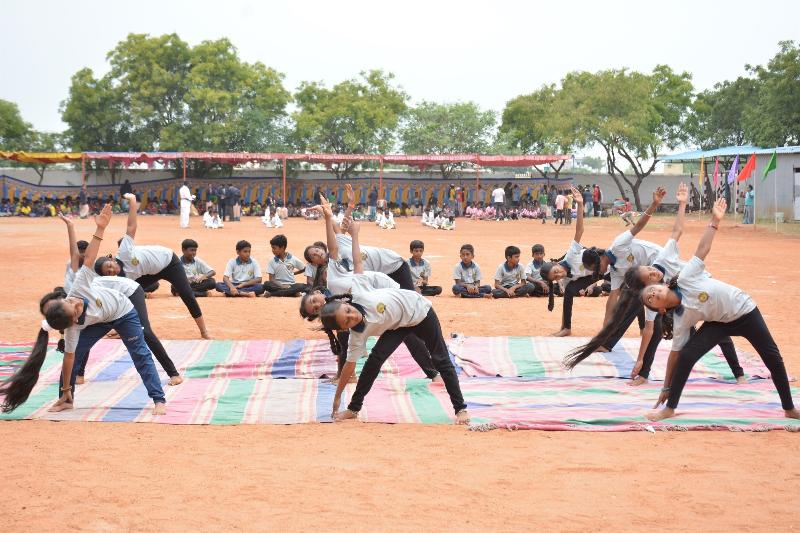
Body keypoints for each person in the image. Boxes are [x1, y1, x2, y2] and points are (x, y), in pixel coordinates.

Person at [565, 185, 744, 386]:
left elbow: (664, 230)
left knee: (714, 324)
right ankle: (640, 369)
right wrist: (606, 329)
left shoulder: (635, 251)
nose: (600, 272)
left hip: (684, 280)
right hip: (659, 286)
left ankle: (738, 372)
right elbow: (615, 300)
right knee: (659, 326)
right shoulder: (631, 281)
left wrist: (663, 204)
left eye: (598, 268)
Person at [641, 198, 798, 422]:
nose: (653, 294)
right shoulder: (681, 319)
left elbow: (702, 249)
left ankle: (789, 408)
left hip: (745, 310)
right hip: (719, 323)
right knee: (687, 356)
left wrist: (715, 220)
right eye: (650, 299)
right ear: (661, 310)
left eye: (653, 290)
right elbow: (675, 356)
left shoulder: (685, 277)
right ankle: (670, 408)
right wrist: (666, 387)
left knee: (773, 358)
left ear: (663, 284)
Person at [0, 204, 167, 415]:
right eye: (75, 312)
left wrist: (100, 229)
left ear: (64, 300)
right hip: (99, 321)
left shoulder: (78, 286)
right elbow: (69, 359)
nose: (75, 305)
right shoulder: (72, 330)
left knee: (140, 354)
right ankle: (66, 399)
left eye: (70, 303)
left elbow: (89, 258)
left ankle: (158, 399)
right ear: (73, 323)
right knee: (74, 354)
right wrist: (66, 390)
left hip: (123, 311)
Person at [318, 224, 470, 425]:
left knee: (440, 359)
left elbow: (356, 259)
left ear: (346, 304)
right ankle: (354, 408)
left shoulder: (359, 291)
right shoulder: (357, 335)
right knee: (374, 361)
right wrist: (337, 397)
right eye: (346, 321)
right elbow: (349, 366)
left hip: (421, 312)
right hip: (398, 326)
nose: (351, 316)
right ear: (345, 329)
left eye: (347, 311)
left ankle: (460, 409)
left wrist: (354, 234)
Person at [302, 199, 439, 381]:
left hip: (391, 275)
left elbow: (337, 239)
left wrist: (330, 215)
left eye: (313, 302)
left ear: (315, 293)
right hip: (378, 293)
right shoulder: (334, 304)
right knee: (397, 333)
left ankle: (435, 370)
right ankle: (434, 368)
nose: (318, 305)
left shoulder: (335, 271)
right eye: (315, 310)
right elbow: (344, 341)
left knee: (409, 327)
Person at [93, 194, 210, 338]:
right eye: (109, 272)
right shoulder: (120, 279)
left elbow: (131, 226)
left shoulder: (123, 252)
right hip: (150, 273)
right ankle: (122, 328)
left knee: (187, 295)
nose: (112, 270)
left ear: (111, 258)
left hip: (169, 262)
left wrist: (133, 202)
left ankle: (204, 331)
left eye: (110, 265)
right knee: (128, 297)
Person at [539, 187, 604, 336]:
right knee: (569, 292)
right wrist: (563, 326)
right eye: (555, 278)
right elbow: (567, 301)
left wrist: (580, 204)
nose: (559, 275)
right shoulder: (567, 279)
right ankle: (566, 328)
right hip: (594, 275)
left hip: (603, 264)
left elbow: (579, 231)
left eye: (556, 271)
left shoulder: (570, 255)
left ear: (556, 264)